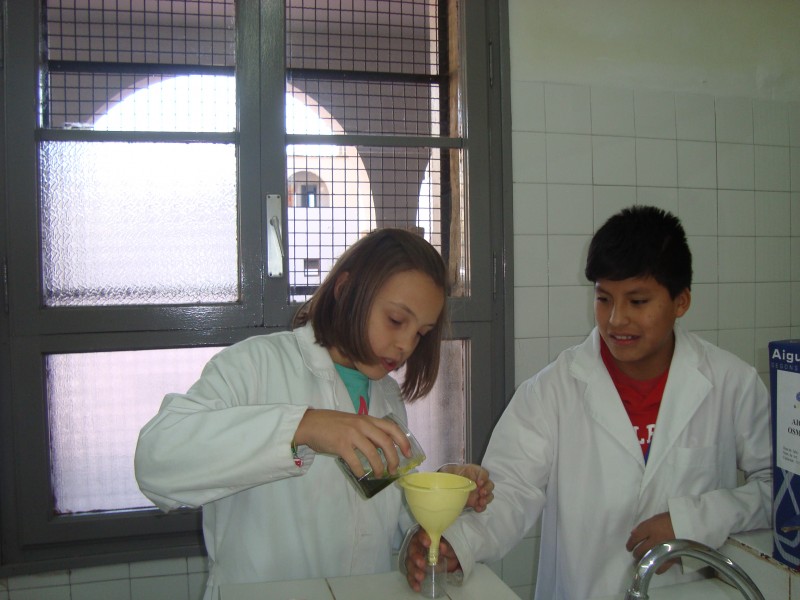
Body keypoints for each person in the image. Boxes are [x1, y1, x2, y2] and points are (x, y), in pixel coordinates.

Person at [403, 206, 772, 599]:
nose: (615, 320)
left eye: (637, 301)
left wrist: (693, 521)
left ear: (680, 302)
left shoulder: (731, 383)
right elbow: (509, 491)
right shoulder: (553, 390)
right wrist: (457, 544)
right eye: (603, 299)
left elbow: (779, 492)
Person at [134, 228, 493, 600]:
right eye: (396, 320)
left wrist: (431, 506)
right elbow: (155, 461)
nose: (405, 345)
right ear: (345, 290)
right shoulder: (255, 366)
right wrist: (303, 427)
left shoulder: (386, 397)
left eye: (421, 333)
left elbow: (377, 518)